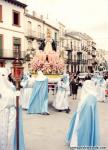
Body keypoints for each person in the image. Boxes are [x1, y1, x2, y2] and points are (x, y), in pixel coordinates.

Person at [66, 80, 100, 147]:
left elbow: (87, 108)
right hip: (82, 115)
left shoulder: (90, 97)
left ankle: (79, 143)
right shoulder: (91, 95)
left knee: (81, 130)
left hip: (84, 117)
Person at [0, 68, 25, 150]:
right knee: (3, 131)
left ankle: (9, 147)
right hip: (3, 111)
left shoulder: (12, 87)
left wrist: (17, 93)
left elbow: (18, 101)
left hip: (12, 110)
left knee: (11, 132)